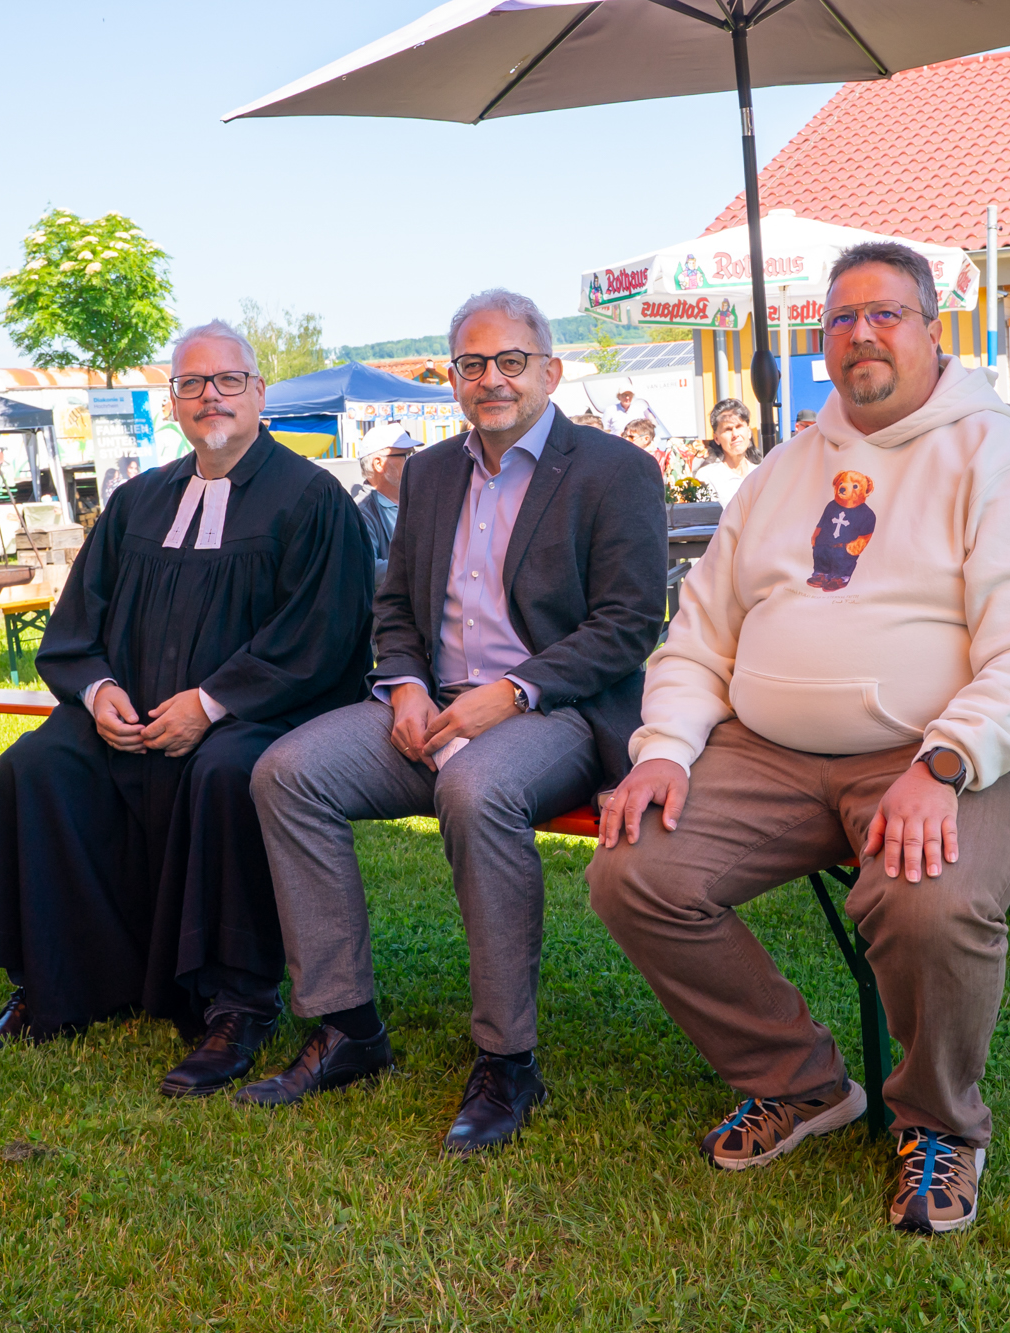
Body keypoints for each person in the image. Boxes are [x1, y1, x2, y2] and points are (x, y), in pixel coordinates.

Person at [587, 242, 1010, 1234]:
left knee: (927, 895)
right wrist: (663, 748)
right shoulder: (780, 472)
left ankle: (940, 1123)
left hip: (965, 745)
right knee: (633, 869)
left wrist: (944, 761)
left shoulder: (996, 457)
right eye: (842, 318)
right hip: (772, 750)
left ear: (931, 330)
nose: (861, 333)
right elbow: (699, 634)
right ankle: (799, 1080)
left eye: (885, 313)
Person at [244, 290, 667, 1154]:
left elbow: (627, 626)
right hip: (431, 705)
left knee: (476, 790)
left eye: (511, 361)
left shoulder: (614, 470)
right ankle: (346, 1027)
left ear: (550, 371)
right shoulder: (430, 473)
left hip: (556, 710)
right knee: (286, 773)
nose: (492, 379)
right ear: (453, 379)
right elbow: (396, 604)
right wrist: (403, 684)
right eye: (473, 364)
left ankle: (507, 1059)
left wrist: (510, 693)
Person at [0, 320, 376, 1091]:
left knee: (226, 771)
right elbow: (79, 620)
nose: (211, 396)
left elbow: (319, 634)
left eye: (228, 380)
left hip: (259, 714)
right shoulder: (137, 500)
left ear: (259, 393)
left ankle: (237, 1004)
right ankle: (58, 982)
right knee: (41, 762)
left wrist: (211, 704)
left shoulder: (312, 500)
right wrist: (99, 691)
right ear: (172, 400)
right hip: (133, 716)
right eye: (191, 383)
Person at [354, 423, 415, 585]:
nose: (413, 460)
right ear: (379, 464)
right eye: (406, 455)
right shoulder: (361, 511)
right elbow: (367, 567)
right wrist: (419, 568)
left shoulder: (414, 499)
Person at [695, 397, 762, 505]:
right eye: (728, 429)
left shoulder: (761, 472)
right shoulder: (707, 476)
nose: (735, 434)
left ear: (749, 432)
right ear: (716, 438)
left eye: (739, 426)